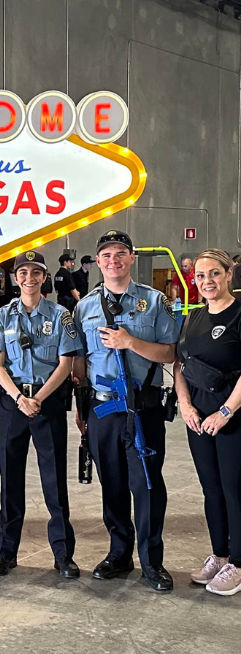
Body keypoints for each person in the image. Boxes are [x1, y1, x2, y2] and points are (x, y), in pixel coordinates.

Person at [73, 230, 179, 592]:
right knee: (112, 486)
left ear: (132, 258)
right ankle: (119, 553)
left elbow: (171, 352)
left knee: (147, 486)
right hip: (103, 410)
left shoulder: (154, 302)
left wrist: (130, 342)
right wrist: (81, 408)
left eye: (121, 253)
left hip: (143, 408)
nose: (113, 260)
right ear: (98, 261)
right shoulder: (84, 307)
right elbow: (80, 364)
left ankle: (152, 561)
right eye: (106, 255)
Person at [0, 251, 82, 578]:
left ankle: (62, 555)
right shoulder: (3, 315)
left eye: (36, 273)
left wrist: (38, 398)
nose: (29, 278)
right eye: (23, 272)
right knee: (9, 480)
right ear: (16, 278)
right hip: (12, 405)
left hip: (47, 404)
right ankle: (6, 553)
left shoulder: (60, 315)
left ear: (44, 277)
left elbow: (66, 363)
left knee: (54, 482)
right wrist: (18, 397)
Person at [174, 249, 241, 596]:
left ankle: (239, 564)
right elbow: (179, 364)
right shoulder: (193, 317)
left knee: (234, 489)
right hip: (197, 416)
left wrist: (226, 412)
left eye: (214, 274)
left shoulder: (239, 314)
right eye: (200, 276)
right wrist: (185, 405)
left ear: (229, 275)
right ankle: (219, 554)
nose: (207, 282)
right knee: (211, 489)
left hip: (232, 416)